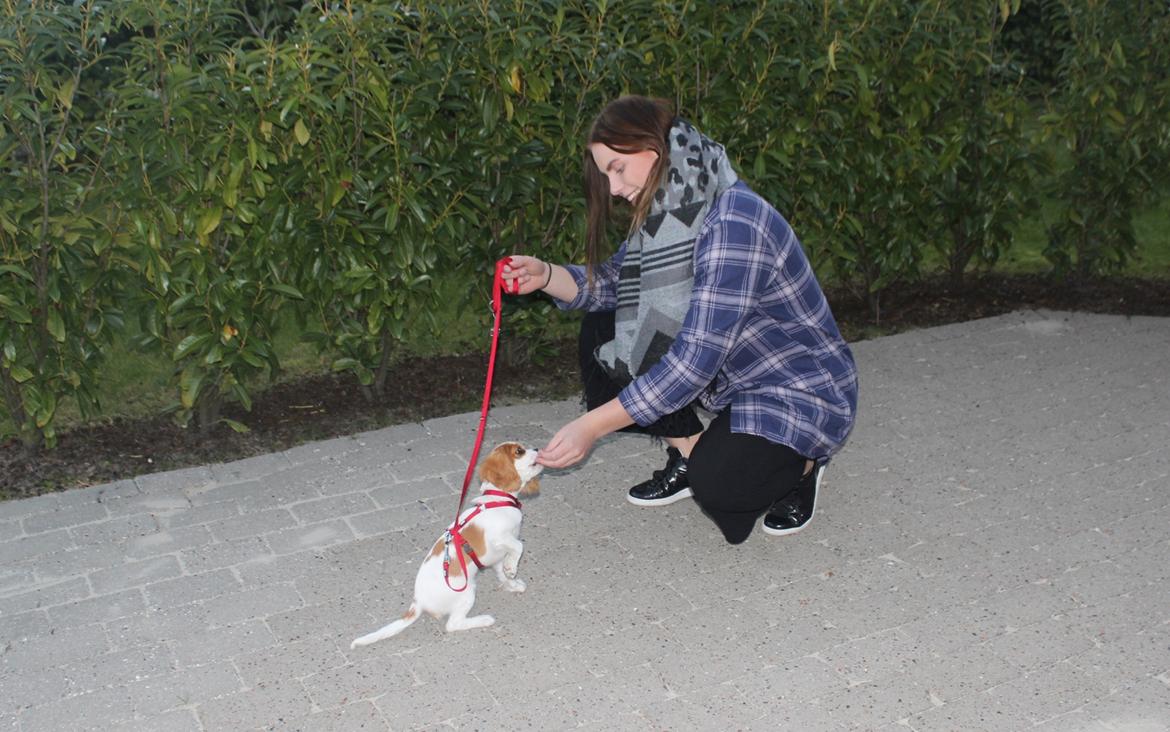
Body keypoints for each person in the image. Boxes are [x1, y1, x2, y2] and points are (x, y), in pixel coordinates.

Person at [501, 95, 858, 544]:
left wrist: (592, 426)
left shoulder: (733, 222)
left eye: (616, 167)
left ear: (653, 148)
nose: (611, 188)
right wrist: (546, 275)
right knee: (608, 325)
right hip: (732, 377)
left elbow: (693, 361)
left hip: (796, 386)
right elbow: (614, 284)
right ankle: (690, 452)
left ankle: (805, 463)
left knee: (724, 489)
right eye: (603, 173)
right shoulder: (669, 208)